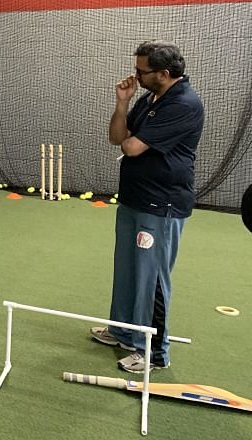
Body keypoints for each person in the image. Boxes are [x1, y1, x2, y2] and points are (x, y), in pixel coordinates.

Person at [91, 41, 204, 373]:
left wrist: (129, 140)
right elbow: (117, 138)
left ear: (164, 74)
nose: (136, 76)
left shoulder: (183, 104)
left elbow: (133, 147)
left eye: (142, 71)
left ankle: (153, 351)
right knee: (127, 268)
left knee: (151, 277)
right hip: (134, 198)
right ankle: (124, 330)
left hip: (162, 204)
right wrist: (122, 103)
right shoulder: (147, 98)